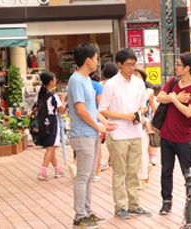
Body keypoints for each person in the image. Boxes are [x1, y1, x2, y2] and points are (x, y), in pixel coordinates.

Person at [68, 43, 117, 228]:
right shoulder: (76, 80)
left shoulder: (86, 79)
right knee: (83, 176)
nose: (98, 62)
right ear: (88, 60)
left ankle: (87, 212)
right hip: (83, 134)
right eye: (96, 59)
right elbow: (80, 110)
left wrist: (104, 122)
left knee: (88, 176)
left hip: (91, 133)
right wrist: (98, 126)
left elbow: (91, 108)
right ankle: (80, 215)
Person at [99, 48, 152, 220]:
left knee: (133, 171)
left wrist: (139, 114)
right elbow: (103, 111)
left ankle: (134, 204)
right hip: (117, 133)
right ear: (119, 64)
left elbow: (144, 105)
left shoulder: (138, 83)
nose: (131, 68)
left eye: (133, 64)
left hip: (135, 131)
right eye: (128, 65)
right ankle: (120, 206)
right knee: (119, 172)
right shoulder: (111, 84)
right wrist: (125, 116)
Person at [156, 52, 191, 215]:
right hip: (166, 136)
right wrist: (175, 97)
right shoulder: (173, 81)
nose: (176, 66)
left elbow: (189, 112)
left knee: (187, 172)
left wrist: (174, 99)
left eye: (179, 64)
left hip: (183, 138)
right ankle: (166, 202)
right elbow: (159, 97)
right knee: (166, 171)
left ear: (187, 68)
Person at [37, 71, 66, 181]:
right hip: (52, 122)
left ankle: (57, 170)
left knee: (51, 146)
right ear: (50, 82)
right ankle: (43, 171)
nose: (56, 81)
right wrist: (63, 100)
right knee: (51, 147)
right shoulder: (53, 96)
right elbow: (61, 110)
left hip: (42, 123)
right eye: (55, 80)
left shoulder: (40, 94)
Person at [133, 65, 155, 190]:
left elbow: (151, 111)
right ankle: (140, 175)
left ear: (142, 77)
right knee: (134, 154)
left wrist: (147, 121)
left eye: (137, 74)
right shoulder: (129, 90)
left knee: (142, 152)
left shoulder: (148, 91)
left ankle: (143, 177)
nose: (134, 76)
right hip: (131, 125)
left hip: (144, 125)